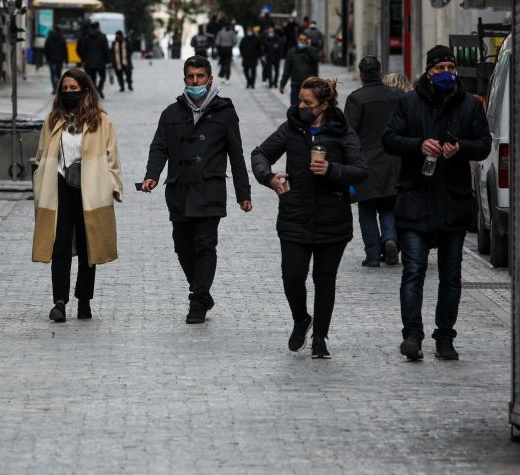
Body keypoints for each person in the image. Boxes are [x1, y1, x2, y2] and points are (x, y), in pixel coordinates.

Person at [382, 45, 491, 362]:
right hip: (416, 197)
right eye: (440, 68)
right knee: (413, 271)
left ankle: (445, 337)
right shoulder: (408, 103)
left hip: (453, 202)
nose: (446, 73)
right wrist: (419, 145)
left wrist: (460, 148)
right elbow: (389, 139)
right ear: (428, 71)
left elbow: (483, 145)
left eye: (450, 67)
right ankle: (412, 336)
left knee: (451, 276)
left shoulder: (470, 105)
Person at [251, 77, 367, 359]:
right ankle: (301, 318)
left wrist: (330, 170)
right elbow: (260, 154)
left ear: (324, 105)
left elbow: (361, 171)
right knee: (292, 276)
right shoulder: (292, 128)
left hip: (333, 217)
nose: (300, 106)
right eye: (299, 101)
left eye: (307, 103)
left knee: (324, 279)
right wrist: (269, 177)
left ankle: (320, 338)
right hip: (295, 214)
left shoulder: (342, 132)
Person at [141, 56, 253, 324]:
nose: (195, 82)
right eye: (190, 77)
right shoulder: (171, 113)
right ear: (184, 80)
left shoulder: (225, 113)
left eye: (200, 77)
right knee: (182, 246)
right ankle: (202, 292)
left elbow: (236, 155)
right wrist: (151, 176)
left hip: (209, 190)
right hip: (179, 190)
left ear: (210, 79)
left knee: (204, 244)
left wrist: (243, 193)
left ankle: (198, 299)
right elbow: (159, 147)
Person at [32, 69, 122, 322]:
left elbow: (112, 156)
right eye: (66, 89)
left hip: (90, 189)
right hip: (59, 188)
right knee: (59, 245)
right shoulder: (53, 120)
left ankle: (84, 300)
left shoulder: (101, 121)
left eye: (74, 88)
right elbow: (41, 154)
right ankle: (59, 301)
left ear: (85, 89)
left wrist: (113, 185)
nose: (70, 93)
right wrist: (39, 179)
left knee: (88, 247)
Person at [345, 57, 403, 267]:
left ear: (361, 74)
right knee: (389, 205)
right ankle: (389, 239)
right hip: (394, 160)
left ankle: (372, 254)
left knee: (367, 209)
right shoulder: (395, 95)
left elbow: (348, 133)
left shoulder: (356, 99)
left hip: (366, 162)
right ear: (380, 72)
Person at [279, 32, 320, 108]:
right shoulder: (291, 52)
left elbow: (317, 59)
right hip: (295, 84)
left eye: (305, 40)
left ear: (307, 41)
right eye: (301, 40)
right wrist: (282, 84)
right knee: (294, 107)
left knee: (308, 108)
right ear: (297, 40)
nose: (302, 42)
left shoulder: (311, 51)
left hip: (309, 86)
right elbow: (286, 70)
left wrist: (309, 48)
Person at [77, 22, 111, 98]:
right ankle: (99, 88)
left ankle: (94, 90)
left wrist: (83, 59)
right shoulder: (103, 36)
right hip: (101, 61)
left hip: (89, 61)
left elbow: (82, 50)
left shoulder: (86, 37)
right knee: (103, 76)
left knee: (92, 77)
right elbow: (106, 49)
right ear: (98, 27)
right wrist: (108, 60)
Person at [43, 26, 67, 94]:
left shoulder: (49, 38)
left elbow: (45, 49)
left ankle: (54, 89)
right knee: (58, 75)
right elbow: (65, 50)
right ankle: (58, 88)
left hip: (51, 59)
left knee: (53, 75)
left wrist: (47, 58)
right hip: (59, 59)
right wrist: (66, 60)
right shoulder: (62, 38)